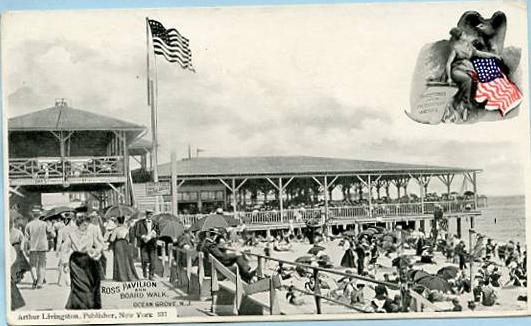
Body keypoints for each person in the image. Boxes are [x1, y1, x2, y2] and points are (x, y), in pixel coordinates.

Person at [444, 26, 502, 122]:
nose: (466, 35)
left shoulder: (468, 46)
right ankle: (463, 105)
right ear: (460, 36)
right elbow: (448, 64)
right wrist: (449, 77)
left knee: (477, 80)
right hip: (457, 70)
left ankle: (462, 104)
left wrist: (494, 56)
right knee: (467, 79)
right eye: (464, 34)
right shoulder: (455, 48)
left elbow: (480, 53)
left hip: (468, 69)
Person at [62, 214, 103, 309]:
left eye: (87, 225)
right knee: (79, 285)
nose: (86, 227)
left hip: (89, 261)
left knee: (91, 284)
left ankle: (90, 304)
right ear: (79, 224)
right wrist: (65, 264)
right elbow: (65, 249)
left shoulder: (90, 234)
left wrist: (96, 251)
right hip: (76, 262)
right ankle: (78, 305)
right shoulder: (72, 235)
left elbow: (99, 245)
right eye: (84, 225)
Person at [109, 216, 139, 282]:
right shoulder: (126, 228)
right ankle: (128, 275)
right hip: (125, 244)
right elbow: (128, 239)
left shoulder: (116, 229)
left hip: (118, 244)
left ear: (118, 221)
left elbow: (112, 239)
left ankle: (120, 277)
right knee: (126, 260)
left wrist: (110, 234)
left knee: (119, 260)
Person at [24, 210, 49, 289]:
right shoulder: (44, 224)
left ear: (32, 215)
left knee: (33, 265)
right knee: (42, 265)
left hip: (32, 247)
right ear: (39, 215)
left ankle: (35, 278)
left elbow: (26, 239)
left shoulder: (28, 225)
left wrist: (25, 249)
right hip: (42, 247)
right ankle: (40, 283)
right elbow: (52, 234)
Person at [135, 210, 160, 280]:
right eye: (149, 214)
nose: (150, 216)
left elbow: (158, 233)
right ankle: (144, 271)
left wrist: (155, 236)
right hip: (144, 244)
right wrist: (142, 236)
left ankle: (151, 275)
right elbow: (137, 233)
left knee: (153, 260)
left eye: (151, 215)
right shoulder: (140, 223)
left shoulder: (156, 223)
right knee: (144, 259)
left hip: (152, 243)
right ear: (146, 215)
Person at [10, 220, 31, 284]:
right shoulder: (6, 231)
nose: (10, 225)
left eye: (11, 223)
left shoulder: (18, 232)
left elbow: (22, 240)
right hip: (10, 247)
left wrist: (22, 247)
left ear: (13, 224)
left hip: (17, 247)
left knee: (18, 264)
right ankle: (14, 277)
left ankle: (17, 277)